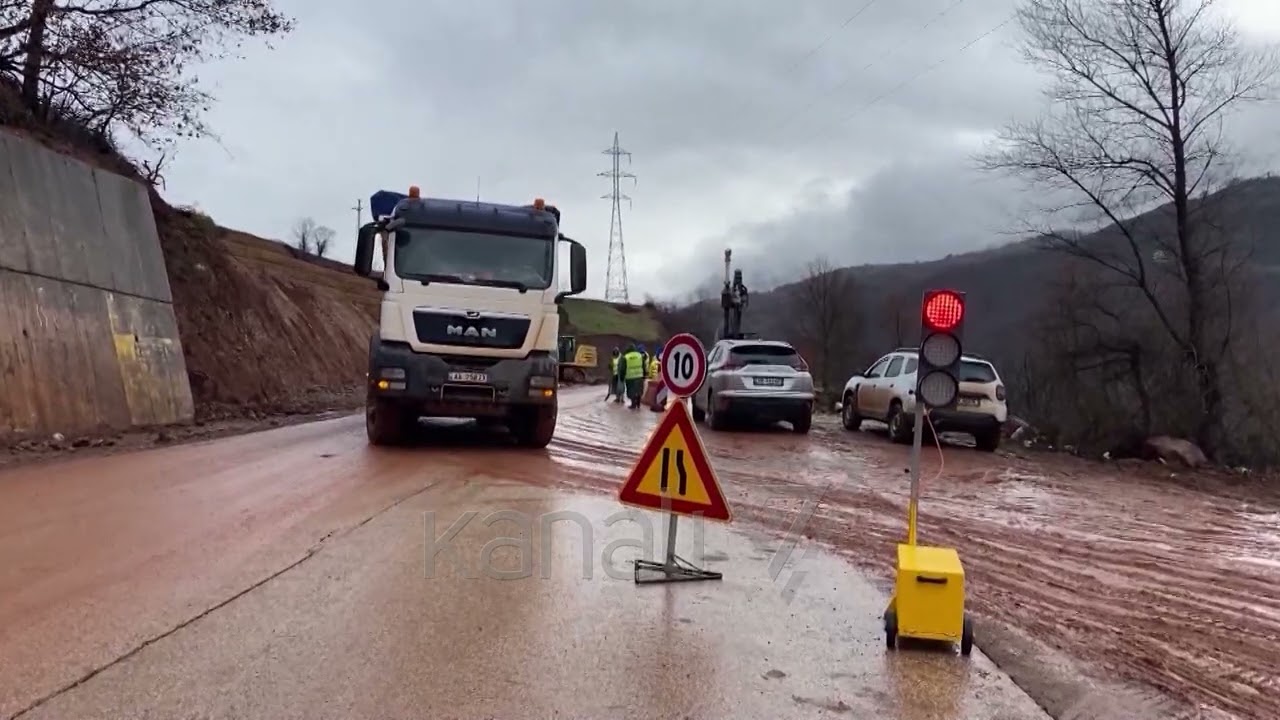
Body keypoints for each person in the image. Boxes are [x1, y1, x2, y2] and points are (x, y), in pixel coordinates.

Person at [622, 344, 645, 409]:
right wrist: (644, 375)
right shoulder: (640, 355)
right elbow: (643, 366)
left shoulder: (626, 357)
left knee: (631, 391)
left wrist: (622, 376)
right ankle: (638, 403)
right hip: (639, 376)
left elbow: (623, 368)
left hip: (630, 377)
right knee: (639, 390)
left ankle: (633, 404)